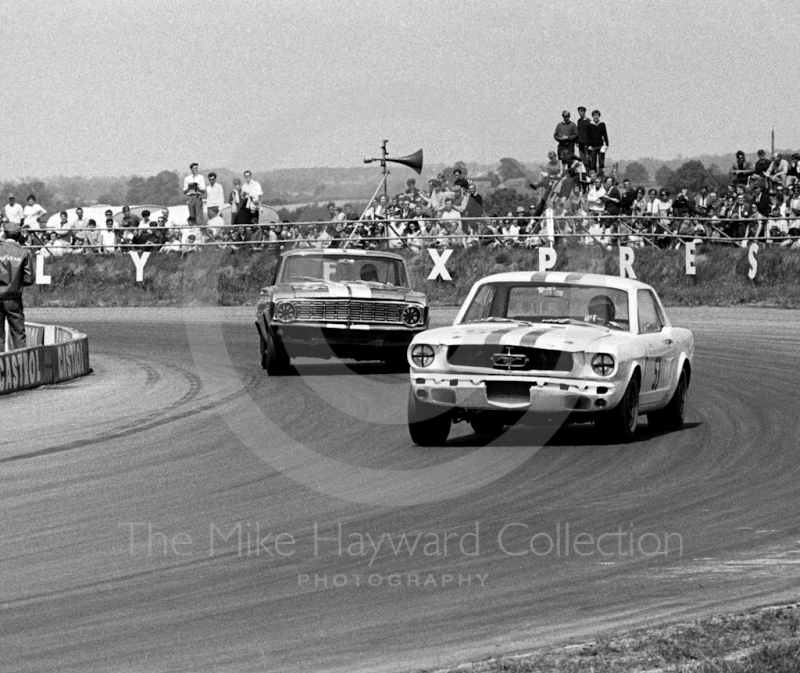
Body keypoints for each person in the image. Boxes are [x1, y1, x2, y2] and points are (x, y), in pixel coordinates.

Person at [0, 221, 34, 351]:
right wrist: (16, 282)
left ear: (4, 233)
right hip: (14, 297)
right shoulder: (24, 252)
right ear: (19, 236)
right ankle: (22, 364)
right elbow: (29, 279)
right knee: (18, 333)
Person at [587, 110, 610, 175]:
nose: (596, 117)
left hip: (601, 146)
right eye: (594, 115)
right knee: (593, 163)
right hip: (593, 146)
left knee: (601, 162)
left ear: (599, 116)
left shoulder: (602, 124)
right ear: (592, 116)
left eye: (597, 115)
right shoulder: (590, 125)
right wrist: (589, 145)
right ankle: (594, 177)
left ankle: (601, 176)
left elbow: (605, 134)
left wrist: (607, 144)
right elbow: (588, 136)